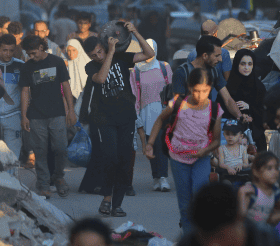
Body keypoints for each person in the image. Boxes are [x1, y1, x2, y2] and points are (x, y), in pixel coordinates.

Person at [83, 22, 154, 217]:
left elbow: (149, 54)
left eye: (100, 51)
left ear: (103, 46)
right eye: (94, 55)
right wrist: (110, 54)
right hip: (104, 118)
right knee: (110, 158)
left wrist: (135, 32)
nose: (98, 56)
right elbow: (101, 79)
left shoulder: (122, 57)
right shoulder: (91, 66)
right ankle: (107, 197)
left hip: (126, 117)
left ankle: (117, 204)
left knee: (124, 160)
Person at [146, 68, 222, 233]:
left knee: (200, 197)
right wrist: (150, 143)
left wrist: (205, 151)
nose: (200, 95)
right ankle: (189, 237)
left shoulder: (215, 109)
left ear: (211, 89)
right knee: (185, 201)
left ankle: (200, 232)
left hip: (201, 159)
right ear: (189, 87)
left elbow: (216, 140)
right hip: (178, 159)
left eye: (205, 91)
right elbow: (160, 119)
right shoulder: (177, 103)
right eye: (196, 91)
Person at [20, 35, 76, 199]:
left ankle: (58, 177)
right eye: (28, 54)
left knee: (61, 148)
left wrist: (71, 110)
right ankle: (43, 185)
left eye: (33, 53)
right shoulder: (27, 67)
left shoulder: (57, 62)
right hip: (36, 116)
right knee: (40, 151)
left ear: (41, 47)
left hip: (57, 114)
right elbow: (24, 91)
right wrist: (24, 116)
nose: (31, 56)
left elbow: (66, 86)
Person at [130, 39, 172, 192]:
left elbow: (172, 90)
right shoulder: (136, 70)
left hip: (163, 112)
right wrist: (137, 115)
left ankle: (163, 177)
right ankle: (156, 177)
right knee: (151, 145)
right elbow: (135, 95)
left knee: (161, 144)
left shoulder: (164, 67)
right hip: (146, 113)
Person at [173, 36, 244, 122]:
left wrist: (240, 117)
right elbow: (177, 101)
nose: (220, 59)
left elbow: (228, 100)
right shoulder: (182, 72)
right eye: (217, 56)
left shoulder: (214, 71)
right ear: (205, 56)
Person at [224, 48, 267, 152]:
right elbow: (222, 111)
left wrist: (249, 107)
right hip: (231, 138)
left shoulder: (259, 87)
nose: (246, 67)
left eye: (250, 64)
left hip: (255, 138)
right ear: (237, 64)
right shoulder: (228, 87)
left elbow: (265, 112)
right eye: (243, 64)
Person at [0, 35, 24, 158]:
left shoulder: (21, 66)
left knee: (13, 154)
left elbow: (26, 91)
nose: (8, 54)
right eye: (4, 50)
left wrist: (24, 115)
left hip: (13, 116)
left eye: (11, 50)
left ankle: (12, 177)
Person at [241, 152, 280, 225]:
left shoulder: (275, 192)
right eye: (269, 168)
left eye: (276, 168)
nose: (274, 172)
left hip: (267, 229)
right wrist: (242, 194)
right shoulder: (251, 191)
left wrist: (279, 215)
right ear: (256, 172)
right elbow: (241, 217)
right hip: (251, 231)